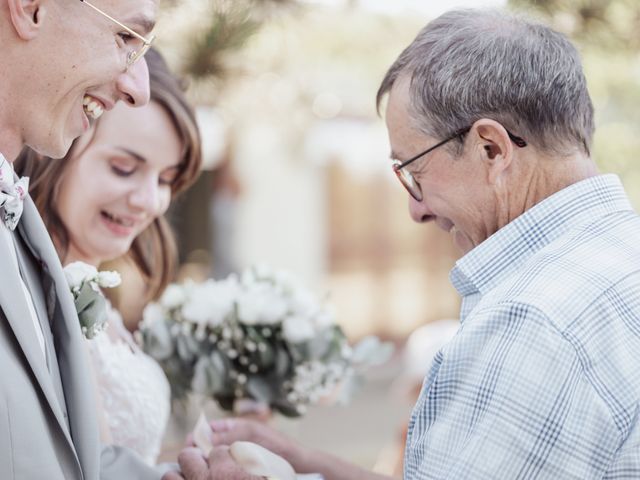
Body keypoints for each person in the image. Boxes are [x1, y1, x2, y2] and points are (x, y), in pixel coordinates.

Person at [173, 8, 640, 480]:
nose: (416, 211)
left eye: (413, 172)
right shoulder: (620, 256)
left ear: (491, 149)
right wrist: (307, 463)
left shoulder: (532, 320)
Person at [0, 0, 185, 478]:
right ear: (30, 8)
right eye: (125, 38)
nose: (137, 87)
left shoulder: (22, 236)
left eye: (167, 178)